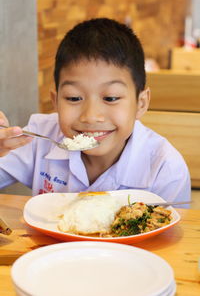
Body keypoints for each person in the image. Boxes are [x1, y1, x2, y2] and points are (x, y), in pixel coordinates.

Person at [0, 18, 191, 205]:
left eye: (110, 98)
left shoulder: (165, 168)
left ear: (141, 103)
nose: (90, 116)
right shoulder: (38, 137)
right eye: (74, 98)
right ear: (56, 102)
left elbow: (175, 233)